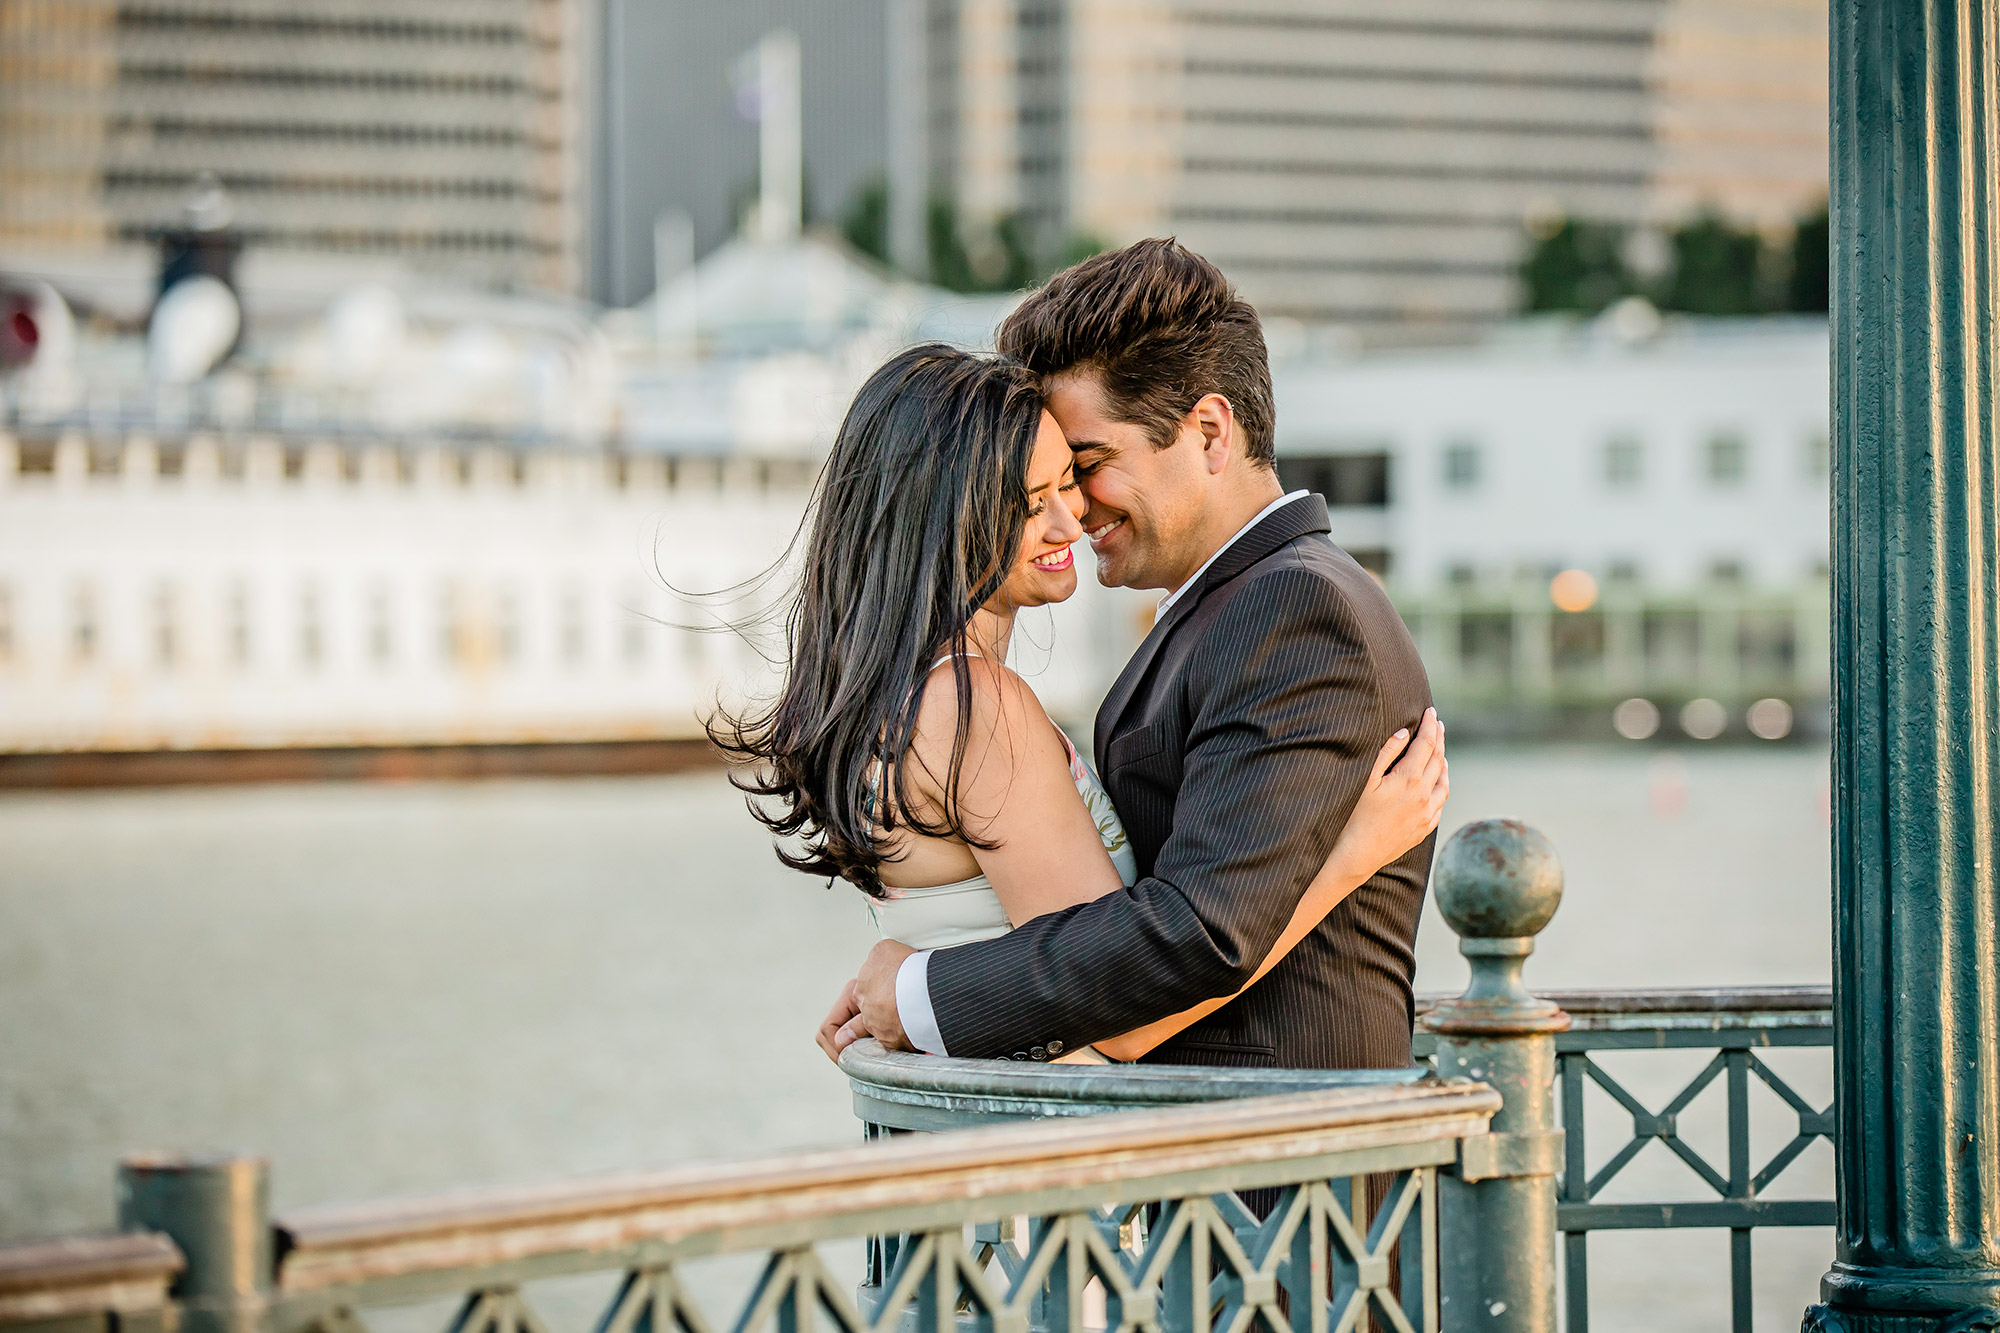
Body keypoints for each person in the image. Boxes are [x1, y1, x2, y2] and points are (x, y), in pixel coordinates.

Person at [713, 297, 1444, 1067]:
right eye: (1035, 501)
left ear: (1209, 432)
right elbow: (1129, 1009)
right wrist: (1347, 859)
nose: (1073, 519)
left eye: (1078, 475)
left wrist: (919, 989)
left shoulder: (900, 703)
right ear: (946, 513)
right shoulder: (975, 706)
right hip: (1082, 1150)